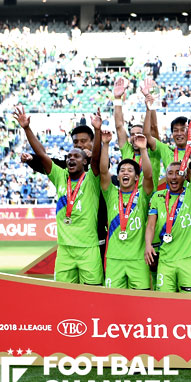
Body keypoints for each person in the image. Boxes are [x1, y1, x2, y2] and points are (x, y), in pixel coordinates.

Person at [14, 106, 102, 285]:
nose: (71, 158)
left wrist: (98, 131)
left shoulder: (92, 179)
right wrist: (27, 128)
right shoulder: (60, 176)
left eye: (76, 156)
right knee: (63, 294)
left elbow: (97, 159)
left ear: (85, 161)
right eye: (69, 156)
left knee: (93, 294)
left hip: (88, 249)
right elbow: (42, 154)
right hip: (64, 250)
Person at [100, 129, 153, 289]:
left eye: (130, 171)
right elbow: (103, 171)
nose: (125, 173)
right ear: (118, 176)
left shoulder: (142, 195)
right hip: (114, 259)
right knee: (113, 300)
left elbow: (148, 176)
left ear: (136, 177)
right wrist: (105, 144)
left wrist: (143, 149)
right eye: (122, 170)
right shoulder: (111, 194)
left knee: (141, 300)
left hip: (138, 260)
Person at [144, 162, 191, 293]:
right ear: (166, 176)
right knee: (164, 301)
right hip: (165, 259)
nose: (174, 177)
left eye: (178, 173)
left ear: (185, 176)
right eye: (170, 173)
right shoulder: (157, 196)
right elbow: (150, 225)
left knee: (190, 301)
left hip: (187, 259)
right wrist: (148, 244)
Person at [113, 76, 161, 191]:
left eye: (139, 134)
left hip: (149, 200)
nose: (135, 137)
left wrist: (150, 101)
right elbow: (119, 126)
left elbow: (153, 127)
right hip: (127, 198)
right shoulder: (127, 150)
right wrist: (117, 98)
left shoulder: (153, 152)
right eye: (132, 134)